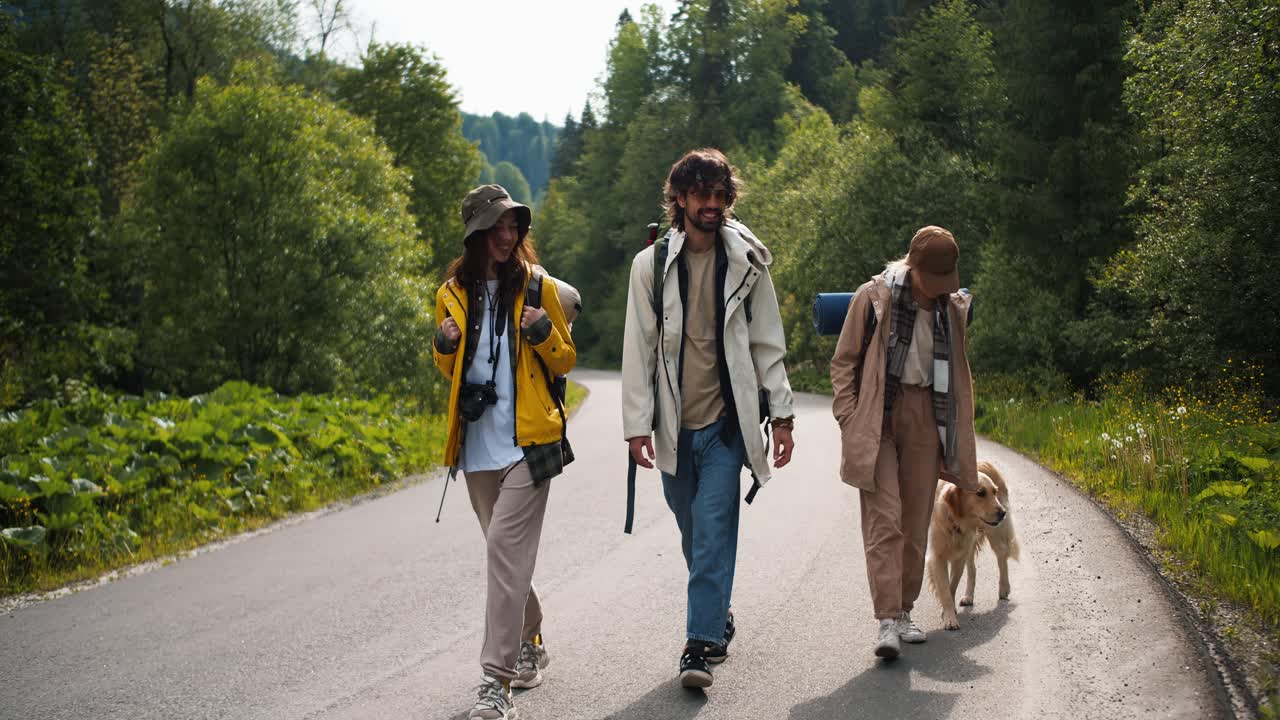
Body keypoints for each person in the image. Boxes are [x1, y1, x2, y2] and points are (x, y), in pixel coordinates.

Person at [621, 148, 796, 689]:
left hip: (726, 427)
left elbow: (768, 341)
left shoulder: (748, 261)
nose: (712, 204)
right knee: (694, 531)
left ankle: (698, 645)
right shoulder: (650, 266)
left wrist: (783, 415)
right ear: (678, 199)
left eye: (720, 195)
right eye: (701, 195)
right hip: (675, 428)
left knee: (715, 528)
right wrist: (636, 425)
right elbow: (639, 347)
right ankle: (716, 613)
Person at [433, 184, 577, 720]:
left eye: (513, 226)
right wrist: (445, 345)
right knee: (505, 556)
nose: (508, 235)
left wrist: (542, 333)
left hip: (529, 442)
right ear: (476, 234)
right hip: (476, 446)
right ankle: (531, 636)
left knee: (501, 550)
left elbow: (564, 361)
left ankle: (496, 683)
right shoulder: (452, 291)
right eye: (497, 227)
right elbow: (449, 366)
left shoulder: (538, 288)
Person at [829, 225, 980, 660]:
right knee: (885, 519)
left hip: (926, 418)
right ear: (910, 266)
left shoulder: (949, 307)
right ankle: (886, 620)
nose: (936, 289)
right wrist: (848, 417)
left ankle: (905, 610)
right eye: (929, 280)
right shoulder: (873, 297)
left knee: (914, 523)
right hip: (877, 414)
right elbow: (843, 362)